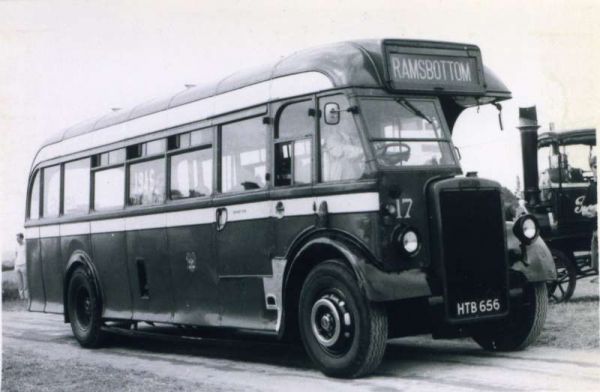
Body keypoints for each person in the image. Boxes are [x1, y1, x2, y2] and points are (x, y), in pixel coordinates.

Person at [581, 156, 597, 272]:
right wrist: (593, 209)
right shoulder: (591, 188)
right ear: (592, 168)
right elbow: (583, 210)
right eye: (595, 167)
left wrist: (594, 208)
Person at [14, 232, 28, 300]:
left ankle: (26, 296)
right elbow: (16, 255)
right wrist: (15, 264)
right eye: (16, 238)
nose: (17, 239)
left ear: (22, 238)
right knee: (19, 282)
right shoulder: (16, 246)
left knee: (25, 282)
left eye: (18, 238)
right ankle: (21, 297)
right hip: (17, 266)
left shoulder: (26, 245)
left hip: (24, 265)